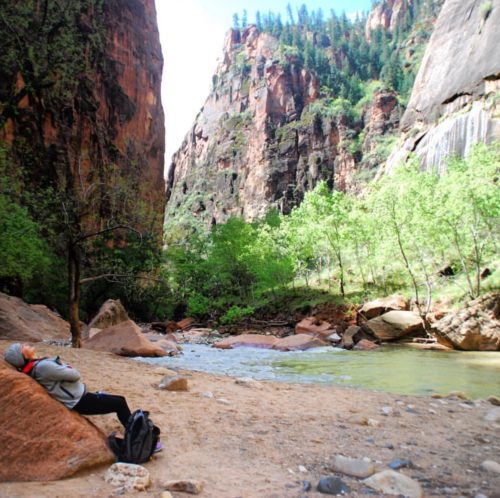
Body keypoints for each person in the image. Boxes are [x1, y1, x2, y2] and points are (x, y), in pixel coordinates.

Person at [5, 342, 132, 428]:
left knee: (113, 400)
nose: (26, 345)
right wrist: (65, 365)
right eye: (22, 347)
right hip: (79, 400)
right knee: (120, 403)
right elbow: (75, 374)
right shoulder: (43, 367)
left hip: (77, 396)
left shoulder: (35, 367)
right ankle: (140, 437)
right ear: (23, 356)